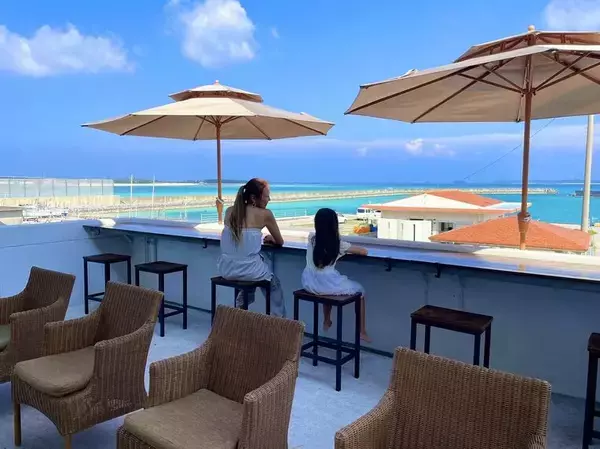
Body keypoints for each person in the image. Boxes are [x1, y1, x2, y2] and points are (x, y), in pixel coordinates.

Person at [217, 178, 286, 317]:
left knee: (250, 270)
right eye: (266, 196)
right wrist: (272, 239)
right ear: (254, 198)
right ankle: (280, 321)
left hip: (227, 269)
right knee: (273, 284)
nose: (269, 200)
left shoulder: (229, 211)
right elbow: (280, 241)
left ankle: (240, 309)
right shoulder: (265, 214)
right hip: (249, 270)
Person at [302, 208, 370, 342]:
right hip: (327, 284)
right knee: (360, 292)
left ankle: (327, 319)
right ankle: (362, 331)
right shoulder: (338, 244)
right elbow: (364, 251)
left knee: (327, 289)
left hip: (309, 283)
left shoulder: (312, 239)